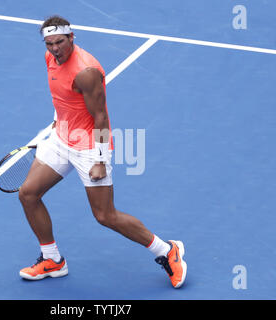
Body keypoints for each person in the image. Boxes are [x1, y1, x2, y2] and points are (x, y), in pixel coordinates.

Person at [18, 15, 187, 288]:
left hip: (89, 146)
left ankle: (166, 251)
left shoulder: (86, 72)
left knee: (105, 216)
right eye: (49, 43)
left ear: (72, 37)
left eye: (60, 42)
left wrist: (100, 160)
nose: (55, 49)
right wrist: (55, 125)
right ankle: (52, 260)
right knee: (28, 194)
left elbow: (101, 118)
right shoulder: (50, 58)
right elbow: (62, 97)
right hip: (62, 139)